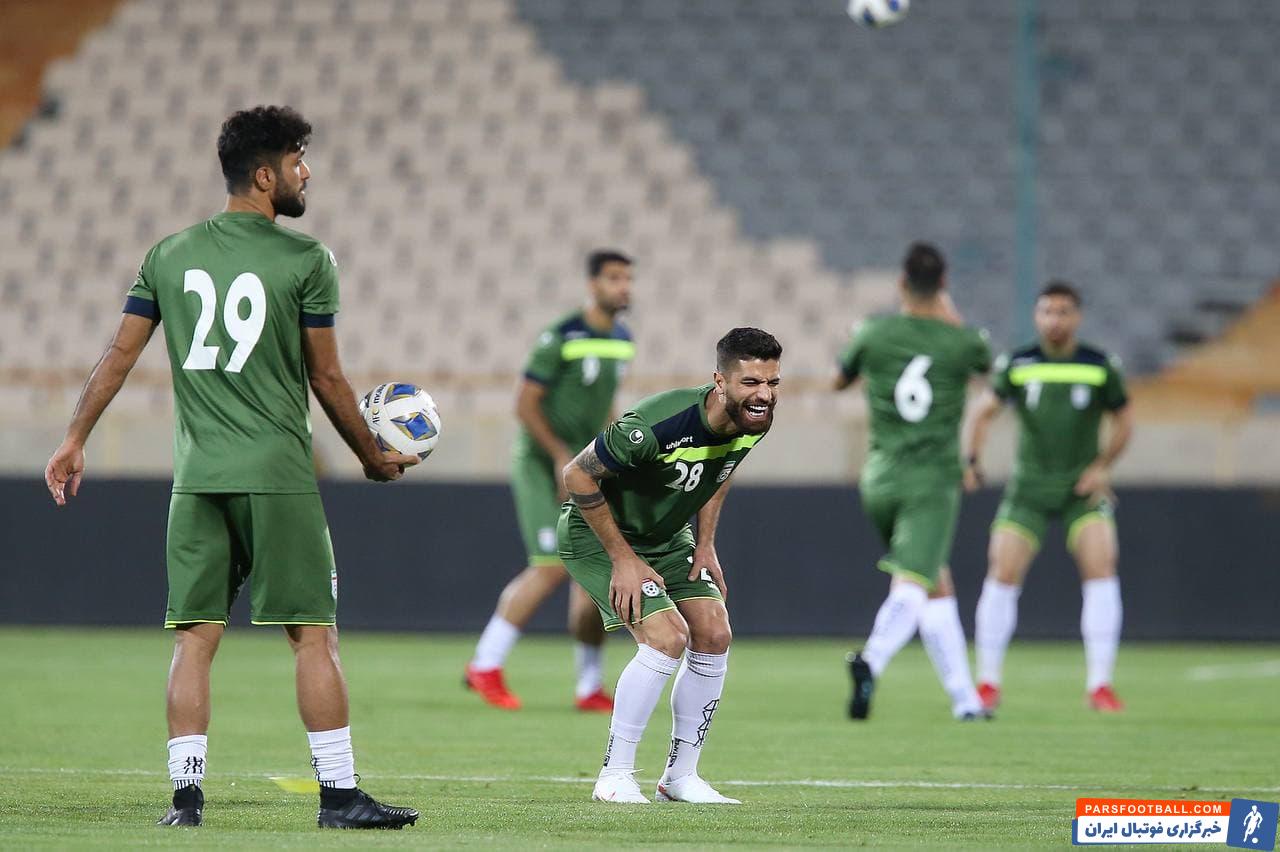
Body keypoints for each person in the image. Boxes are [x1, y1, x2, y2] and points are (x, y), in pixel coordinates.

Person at [43, 106, 419, 829]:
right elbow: (328, 378)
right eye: (297, 160)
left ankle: (186, 802)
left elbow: (119, 354)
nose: (307, 172)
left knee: (195, 637)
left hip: (197, 479)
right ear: (264, 176)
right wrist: (371, 458)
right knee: (312, 634)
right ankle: (340, 798)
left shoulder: (168, 255)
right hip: (277, 476)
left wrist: (74, 437)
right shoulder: (306, 260)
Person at [559, 328, 782, 805]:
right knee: (667, 638)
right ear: (719, 381)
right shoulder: (658, 423)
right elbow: (576, 474)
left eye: (772, 382)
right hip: (598, 537)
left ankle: (680, 778)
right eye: (751, 382)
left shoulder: (752, 420)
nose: (763, 394)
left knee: (714, 633)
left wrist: (706, 544)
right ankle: (614, 776)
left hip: (667, 536)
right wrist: (624, 559)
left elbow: (719, 471)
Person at [465, 251, 635, 712]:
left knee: (593, 572)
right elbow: (524, 405)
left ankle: (589, 686)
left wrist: (616, 453)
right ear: (593, 284)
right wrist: (561, 455)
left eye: (627, 278)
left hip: (586, 467)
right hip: (542, 465)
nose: (623, 287)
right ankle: (485, 664)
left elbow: (605, 403)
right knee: (551, 565)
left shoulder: (623, 340)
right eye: (614, 278)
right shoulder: (561, 335)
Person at [833, 242, 991, 721]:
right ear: (943, 285)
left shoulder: (873, 333)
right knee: (913, 582)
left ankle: (966, 701)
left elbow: (840, 380)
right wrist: (950, 318)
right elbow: (989, 371)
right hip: (932, 480)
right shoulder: (964, 342)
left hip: (879, 477)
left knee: (934, 579)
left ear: (901, 283)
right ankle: (872, 660)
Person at [965, 281, 1133, 712]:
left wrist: (1102, 467)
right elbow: (982, 412)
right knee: (1002, 571)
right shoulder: (1018, 363)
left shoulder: (1099, 365)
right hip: (1029, 490)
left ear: (1077, 317)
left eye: (1063, 312)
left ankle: (1100, 685)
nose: (1054, 320)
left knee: (1102, 567)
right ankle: (987, 683)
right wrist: (972, 460)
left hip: (1081, 490)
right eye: (1047, 312)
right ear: (1036, 316)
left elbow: (1125, 421)